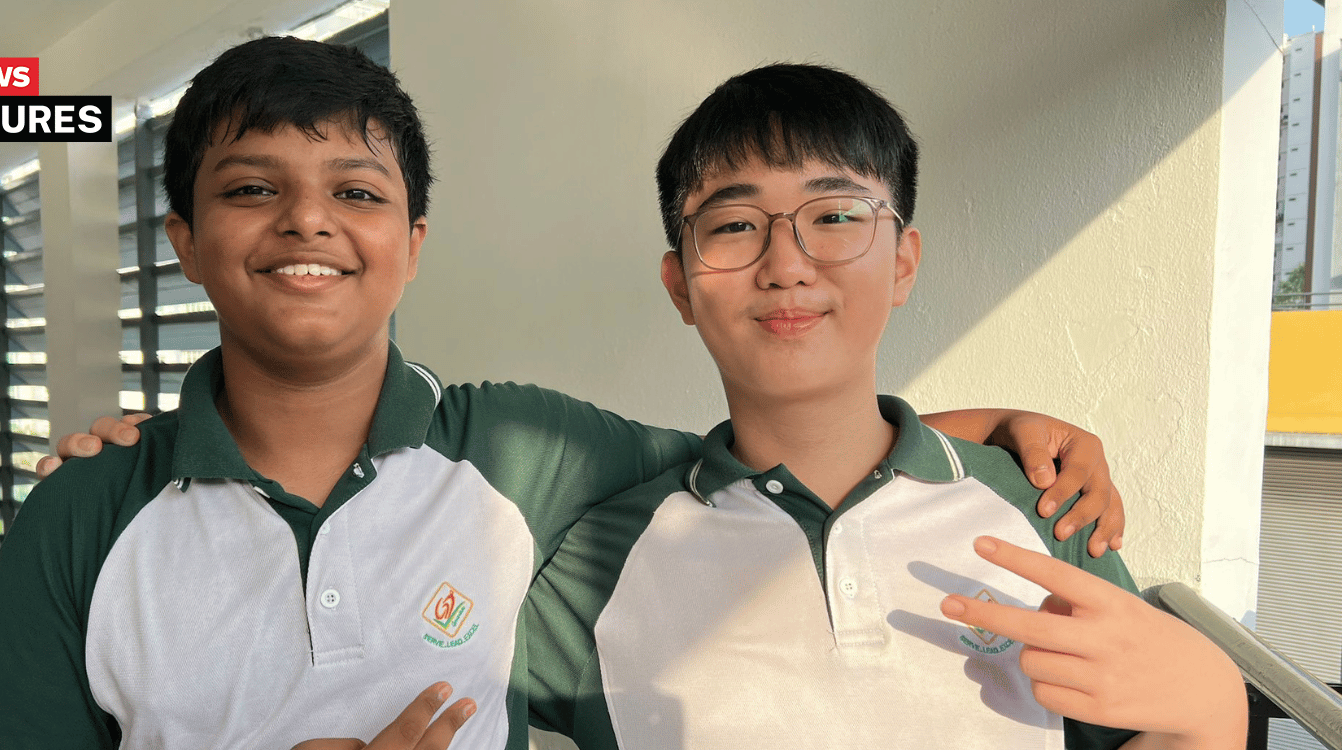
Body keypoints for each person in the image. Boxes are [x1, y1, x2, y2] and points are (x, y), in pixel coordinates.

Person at [0, 37, 1125, 749]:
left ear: (414, 243)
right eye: (252, 188)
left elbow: (773, 456)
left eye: (355, 193)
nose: (307, 220)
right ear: (182, 239)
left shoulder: (518, 449)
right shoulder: (85, 514)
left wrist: (982, 437)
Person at [523, 63, 1246, 749]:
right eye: (735, 225)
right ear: (681, 285)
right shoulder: (591, 568)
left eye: (836, 215)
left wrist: (1214, 707)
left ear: (902, 262)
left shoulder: (1045, 508)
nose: (785, 265)